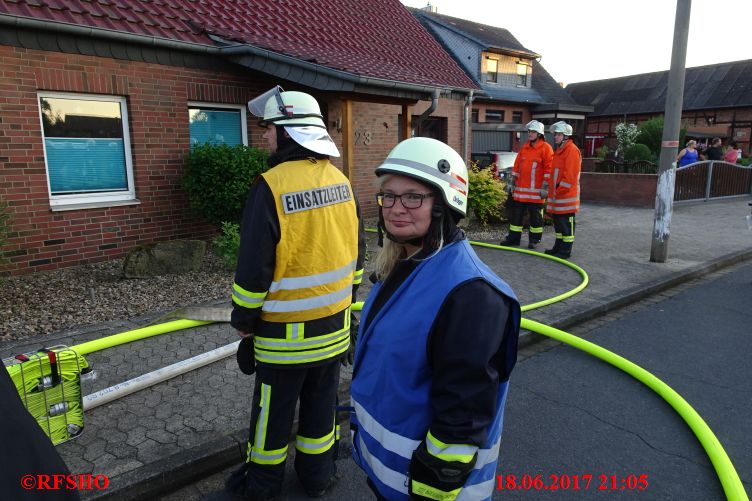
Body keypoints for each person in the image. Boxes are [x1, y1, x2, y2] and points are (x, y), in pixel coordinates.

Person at [350, 137, 521, 501]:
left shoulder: (471, 294)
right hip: (389, 475)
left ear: (445, 204)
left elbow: (463, 412)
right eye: (389, 196)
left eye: (413, 197)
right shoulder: (405, 264)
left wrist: (433, 486)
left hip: (427, 488)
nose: (396, 208)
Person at [227, 86, 365, 500]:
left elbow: (254, 270)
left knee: (271, 422)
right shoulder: (341, 182)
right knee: (321, 415)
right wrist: (350, 313)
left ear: (289, 132)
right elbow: (357, 257)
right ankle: (317, 478)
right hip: (334, 332)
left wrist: (244, 324)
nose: (264, 136)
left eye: (269, 128)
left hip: (283, 341)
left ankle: (262, 488)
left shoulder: (270, 185)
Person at [500, 120, 553, 249]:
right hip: (521, 193)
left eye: (533, 131)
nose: (529, 133)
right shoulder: (525, 147)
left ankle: (534, 240)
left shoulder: (546, 148)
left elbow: (549, 169)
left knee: (535, 218)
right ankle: (513, 239)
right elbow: (517, 166)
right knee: (516, 217)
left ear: (539, 134)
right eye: (529, 131)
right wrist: (512, 182)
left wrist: (545, 188)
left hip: (536, 193)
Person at [544, 121, 581, 259]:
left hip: (566, 198)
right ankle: (558, 248)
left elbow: (570, 176)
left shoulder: (571, 150)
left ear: (566, 136)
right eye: (555, 134)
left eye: (558, 134)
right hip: (559, 197)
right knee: (559, 226)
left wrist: (559, 191)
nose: (555, 137)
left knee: (567, 227)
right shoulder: (560, 151)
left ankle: (565, 251)